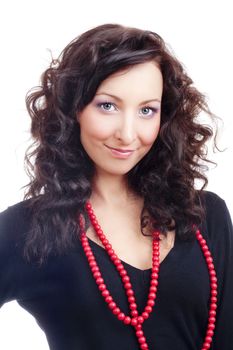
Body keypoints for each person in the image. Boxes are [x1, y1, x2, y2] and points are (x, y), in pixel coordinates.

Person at [0, 23, 232, 350]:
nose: (127, 133)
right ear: (74, 109)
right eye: (107, 105)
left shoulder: (206, 216)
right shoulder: (26, 229)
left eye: (147, 110)